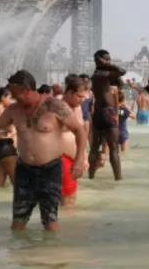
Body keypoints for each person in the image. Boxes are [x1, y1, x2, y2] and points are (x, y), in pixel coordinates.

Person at [0, 70, 87, 231]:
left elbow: (79, 131)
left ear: (27, 90)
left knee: (50, 222)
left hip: (50, 169)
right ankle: (20, 254)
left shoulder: (54, 106)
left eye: (15, 93)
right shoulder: (14, 110)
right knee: (18, 222)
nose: (13, 98)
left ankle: (51, 254)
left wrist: (78, 160)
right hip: (24, 169)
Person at [89, 49, 126, 180]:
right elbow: (122, 71)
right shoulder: (101, 73)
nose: (109, 61)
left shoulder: (98, 74)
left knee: (94, 147)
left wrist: (114, 76)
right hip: (107, 112)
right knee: (114, 148)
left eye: (109, 59)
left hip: (99, 112)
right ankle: (118, 179)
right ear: (98, 59)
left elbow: (121, 83)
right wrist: (110, 66)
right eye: (106, 58)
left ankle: (91, 177)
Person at [61, 78, 90, 206]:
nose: (82, 100)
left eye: (84, 97)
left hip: (74, 159)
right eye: (79, 96)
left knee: (70, 198)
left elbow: (81, 134)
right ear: (70, 92)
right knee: (68, 198)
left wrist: (84, 157)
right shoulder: (58, 107)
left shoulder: (77, 108)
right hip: (61, 158)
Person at [0, 87, 18, 187]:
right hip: (6, 147)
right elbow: (10, 129)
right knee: (17, 184)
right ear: (3, 97)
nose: (11, 101)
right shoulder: (3, 111)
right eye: (9, 98)